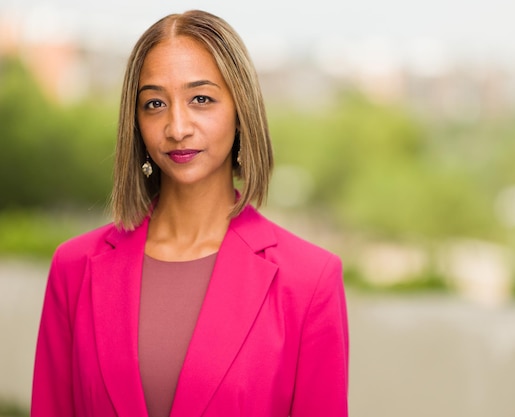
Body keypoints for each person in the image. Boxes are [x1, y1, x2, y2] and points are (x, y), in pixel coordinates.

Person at [31, 10, 349, 417]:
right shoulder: (74, 268)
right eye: (154, 103)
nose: (177, 126)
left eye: (201, 99)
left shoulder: (309, 281)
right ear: (136, 121)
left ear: (241, 110)